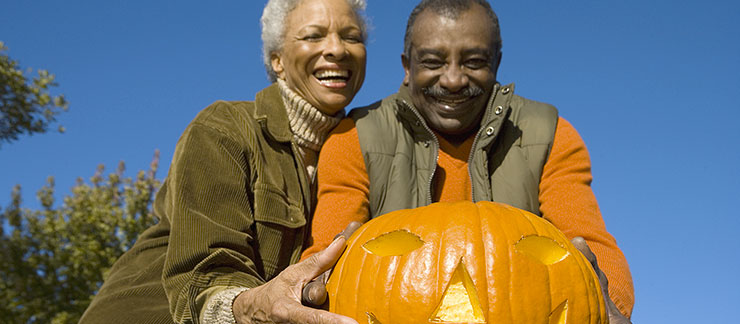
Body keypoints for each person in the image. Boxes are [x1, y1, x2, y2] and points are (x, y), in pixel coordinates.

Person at [302, 0, 634, 322]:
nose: (453, 80)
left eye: (474, 62)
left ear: (496, 63)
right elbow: (326, 251)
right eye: (433, 62)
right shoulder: (354, 137)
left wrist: (607, 309)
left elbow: (588, 242)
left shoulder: (548, 133)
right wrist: (315, 287)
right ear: (407, 66)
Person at [80, 0, 367, 323]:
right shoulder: (224, 128)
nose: (337, 49)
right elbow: (207, 274)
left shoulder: (363, 149)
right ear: (278, 61)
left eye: (352, 37)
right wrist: (249, 306)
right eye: (313, 36)